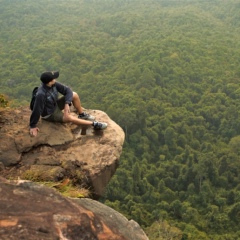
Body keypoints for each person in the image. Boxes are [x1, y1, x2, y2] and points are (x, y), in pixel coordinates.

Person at [29, 71, 107, 137]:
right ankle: (95, 124)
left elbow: (68, 90)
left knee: (74, 94)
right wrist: (33, 126)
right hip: (50, 114)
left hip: (55, 105)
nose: (55, 79)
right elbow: (37, 110)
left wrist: (67, 103)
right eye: (54, 78)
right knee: (69, 117)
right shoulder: (41, 94)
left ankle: (82, 115)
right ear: (49, 82)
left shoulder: (53, 84)